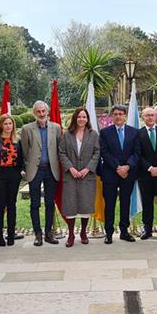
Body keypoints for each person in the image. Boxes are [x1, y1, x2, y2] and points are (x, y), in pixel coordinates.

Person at [20, 100, 62, 246]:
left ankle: (49, 233)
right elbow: (24, 151)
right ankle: (38, 234)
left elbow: (59, 148)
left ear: (47, 111)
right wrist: (28, 165)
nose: (41, 114)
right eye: (38, 111)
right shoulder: (26, 129)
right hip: (35, 170)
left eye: (43, 111)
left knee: (50, 203)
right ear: (34, 113)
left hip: (51, 170)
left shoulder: (56, 128)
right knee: (35, 204)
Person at [59, 108, 100, 247]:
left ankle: (83, 233)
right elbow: (62, 152)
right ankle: (71, 234)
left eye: (84, 117)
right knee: (70, 206)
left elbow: (96, 153)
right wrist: (71, 168)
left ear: (87, 119)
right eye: (79, 117)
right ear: (75, 118)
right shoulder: (66, 135)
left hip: (86, 175)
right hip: (70, 176)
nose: (81, 119)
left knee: (85, 205)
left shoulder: (93, 135)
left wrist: (87, 169)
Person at [100, 105, 140, 244]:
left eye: (121, 114)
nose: (118, 116)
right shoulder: (105, 132)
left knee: (125, 203)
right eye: (115, 114)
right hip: (110, 174)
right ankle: (109, 233)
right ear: (112, 116)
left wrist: (127, 167)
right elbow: (104, 152)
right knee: (109, 204)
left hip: (128, 174)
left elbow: (137, 153)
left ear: (125, 116)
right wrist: (117, 167)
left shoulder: (134, 132)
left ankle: (124, 232)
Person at [0, 114, 24, 246]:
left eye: (10, 123)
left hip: (14, 175)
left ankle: (11, 234)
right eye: (6, 123)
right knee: (0, 206)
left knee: (12, 205)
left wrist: (22, 170)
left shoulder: (17, 140)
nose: (8, 126)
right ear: (1, 125)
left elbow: (22, 159)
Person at [136, 107, 157, 240]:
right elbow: (138, 154)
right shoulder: (138, 134)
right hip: (146, 175)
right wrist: (150, 168)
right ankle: (147, 229)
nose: (150, 117)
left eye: (152, 115)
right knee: (147, 202)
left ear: (156, 117)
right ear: (143, 117)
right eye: (147, 115)